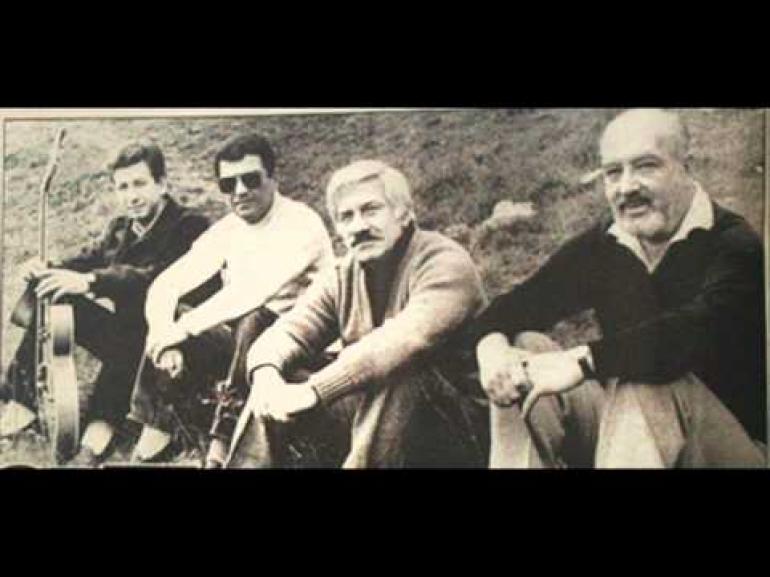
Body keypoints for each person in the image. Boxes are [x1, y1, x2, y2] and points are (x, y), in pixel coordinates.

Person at [473, 108, 766, 468]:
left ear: (686, 168)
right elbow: (516, 306)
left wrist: (584, 360)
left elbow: (691, 332)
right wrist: (492, 348)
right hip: (633, 439)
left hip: (727, 447)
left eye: (646, 166)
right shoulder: (606, 244)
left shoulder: (734, 244)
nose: (627, 187)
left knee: (643, 379)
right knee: (522, 350)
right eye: (613, 172)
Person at [226, 159, 488, 469]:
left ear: (403, 213)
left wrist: (314, 391)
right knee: (279, 373)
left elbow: (402, 342)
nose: (359, 226)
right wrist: (266, 376)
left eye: (371, 210)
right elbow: (289, 331)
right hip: (376, 422)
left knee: (402, 367)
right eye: (346, 217)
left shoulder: (444, 262)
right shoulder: (343, 274)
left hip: (458, 428)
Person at [0, 142, 211, 466]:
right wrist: (47, 268)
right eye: (122, 187)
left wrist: (91, 281)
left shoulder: (190, 225)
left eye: (139, 184)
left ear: (162, 184)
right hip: (128, 336)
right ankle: (21, 402)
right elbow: (86, 259)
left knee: (129, 341)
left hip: (172, 342)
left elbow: (155, 278)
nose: (132, 196)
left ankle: (98, 433)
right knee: (55, 291)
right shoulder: (120, 228)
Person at [132, 133, 334, 467]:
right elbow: (166, 284)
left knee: (253, 315)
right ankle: (156, 428)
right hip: (245, 347)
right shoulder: (230, 228)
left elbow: (253, 291)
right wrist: (163, 335)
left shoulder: (300, 224)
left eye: (250, 179)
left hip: (306, 350)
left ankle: (224, 439)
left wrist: (180, 331)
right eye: (228, 184)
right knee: (178, 313)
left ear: (273, 178)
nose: (239, 191)